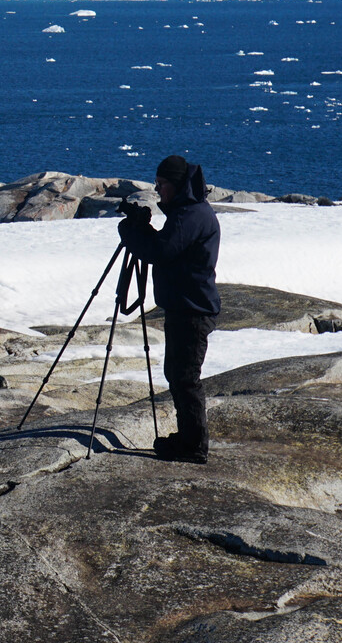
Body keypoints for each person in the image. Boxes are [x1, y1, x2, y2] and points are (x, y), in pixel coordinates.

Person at [116, 154, 221, 464]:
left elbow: (161, 251)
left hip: (192, 310)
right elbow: (167, 249)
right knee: (177, 374)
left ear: (176, 185)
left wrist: (132, 232)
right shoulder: (188, 213)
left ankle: (193, 444)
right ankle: (187, 438)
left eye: (161, 184)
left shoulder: (190, 215)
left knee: (185, 377)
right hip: (186, 307)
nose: (158, 190)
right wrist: (143, 230)